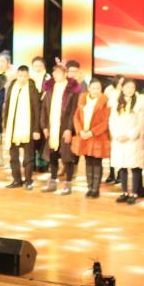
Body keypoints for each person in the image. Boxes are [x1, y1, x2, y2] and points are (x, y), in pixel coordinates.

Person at [40, 64, 81, 193]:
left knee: (67, 157)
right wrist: (44, 126)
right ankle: (52, 182)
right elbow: (44, 108)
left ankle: (68, 184)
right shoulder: (50, 88)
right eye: (55, 73)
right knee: (52, 155)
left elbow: (73, 111)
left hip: (64, 127)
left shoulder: (71, 90)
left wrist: (69, 129)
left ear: (65, 74)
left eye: (59, 73)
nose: (56, 75)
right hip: (52, 127)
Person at [2, 65, 42, 190]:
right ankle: (16, 180)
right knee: (13, 156)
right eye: (20, 76)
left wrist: (36, 129)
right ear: (17, 75)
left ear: (28, 76)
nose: (22, 78)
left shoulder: (32, 87)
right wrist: (6, 124)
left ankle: (28, 180)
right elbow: (7, 105)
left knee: (28, 157)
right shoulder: (12, 86)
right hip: (13, 127)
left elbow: (37, 109)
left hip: (27, 128)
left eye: (25, 76)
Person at [72, 78, 111, 199]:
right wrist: (80, 131)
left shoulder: (105, 102)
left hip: (98, 136)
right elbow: (76, 117)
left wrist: (92, 132)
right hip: (84, 136)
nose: (96, 90)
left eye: (98, 88)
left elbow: (106, 122)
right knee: (88, 161)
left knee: (97, 162)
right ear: (89, 89)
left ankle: (95, 189)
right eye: (93, 88)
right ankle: (89, 188)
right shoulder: (83, 100)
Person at [109, 83, 144, 204]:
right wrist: (117, 135)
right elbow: (112, 121)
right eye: (127, 87)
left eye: (132, 87)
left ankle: (134, 193)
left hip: (132, 140)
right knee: (122, 165)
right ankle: (124, 192)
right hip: (119, 139)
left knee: (135, 167)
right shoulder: (116, 103)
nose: (130, 90)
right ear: (123, 89)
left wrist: (130, 136)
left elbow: (140, 123)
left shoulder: (139, 104)